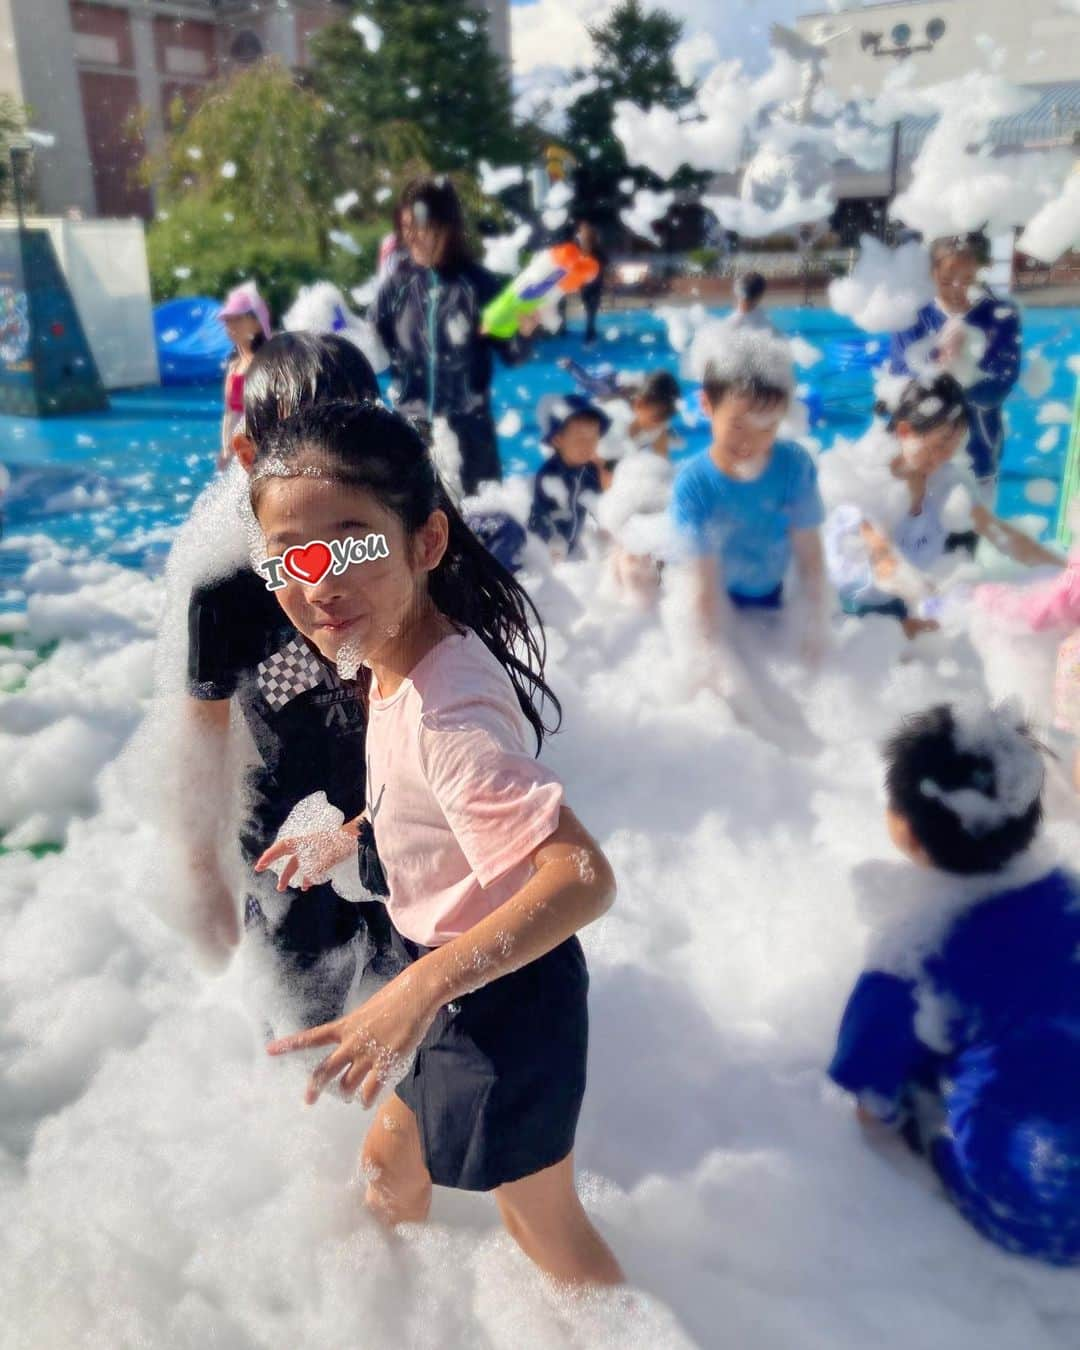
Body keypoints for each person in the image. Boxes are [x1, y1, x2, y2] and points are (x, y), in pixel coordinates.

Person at [250, 401, 623, 1288]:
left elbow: (581, 877)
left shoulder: (445, 710)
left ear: (425, 542)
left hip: (500, 1002)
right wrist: (352, 842)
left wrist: (415, 992)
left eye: (348, 544)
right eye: (288, 561)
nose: (318, 583)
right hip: (459, 990)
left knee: (541, 1225)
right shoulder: (401, 657)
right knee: (385, 1172)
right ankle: (402, 1313)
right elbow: (435, 812)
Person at [182, 332, 392, 1031]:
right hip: (286, 849)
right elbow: (202, 744)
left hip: (394, 826)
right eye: (314, 458)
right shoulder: (230, 595)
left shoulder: (402, 557)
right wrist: (200, 872)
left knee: (411, 1015)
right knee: (303, 1033)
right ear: (249, 458)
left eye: (365, 449)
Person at [829, 702, 1080, 1265]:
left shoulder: (912, 953)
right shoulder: (1072, 899)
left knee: (918, 1084)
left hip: (1034, 1212)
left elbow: (870, 1100)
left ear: (905, 830)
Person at [823, 374, 1061, 638]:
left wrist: (1064, 571)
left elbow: (1001, 534)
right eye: (937, 446)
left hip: (905, 606)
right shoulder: (866, 483)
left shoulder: (944, 480)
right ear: (904, 431)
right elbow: (883, 562)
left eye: (953, 446)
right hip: (848, 614)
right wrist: (927, 598)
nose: (943, 457)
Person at [374, 176, 536, 497]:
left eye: (420, 226)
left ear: (445, 228)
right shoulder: (397, 286)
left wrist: (524, 332)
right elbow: (374, 350)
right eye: (405, 227)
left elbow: (512, 353)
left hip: (470, 436)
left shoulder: (478, 285)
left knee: (476, 532)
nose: (412, 237)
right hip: (411, 436)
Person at [669, 331, 827, 656]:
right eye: (738, 425)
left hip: (773, 594)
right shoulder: (694, 485)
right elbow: (702, 587)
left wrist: (816, 627)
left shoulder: (794, 465)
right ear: (706, 405)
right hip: (719, 601)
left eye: (767, 428)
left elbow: (810, 555)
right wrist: (710, 657)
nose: (750, 442)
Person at [889, 233, 1021, 504]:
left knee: (969, 537)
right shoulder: (913, 314)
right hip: (921, 458)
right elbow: (901, 379)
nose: (957, 288)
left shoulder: (1000, 315)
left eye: (968, 278)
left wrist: (967, 357)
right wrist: (939, 360)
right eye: (947, 279)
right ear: (931, 272)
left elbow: (999, 387)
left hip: (978, 457)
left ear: (981, 272)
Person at [528, 394, 610, 559]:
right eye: (580, 440)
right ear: (557, 440)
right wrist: (552, 539)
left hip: (573, 547)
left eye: (593, 439)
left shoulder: (590, 470)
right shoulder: (548, 475)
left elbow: (601, 503)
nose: (588, 446)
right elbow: (539, 516)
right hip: (545, 550)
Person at [217, 281, 271, 471]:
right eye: (227, 320)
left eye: (237, 319)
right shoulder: (234, 366)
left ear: (257, 323)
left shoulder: (266, 364)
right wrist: (225, 449)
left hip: (259, 451)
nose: (230, 325)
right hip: (238, 453)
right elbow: (230, 413)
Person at [575, 220, 608, 346]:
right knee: (591, 309)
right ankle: (590, 333)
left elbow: (603, 262)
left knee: (590, 309)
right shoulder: (591, 250)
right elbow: (605, 262)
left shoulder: (588, 250)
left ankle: (590, 334)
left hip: (589, 284)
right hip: (592, 284)